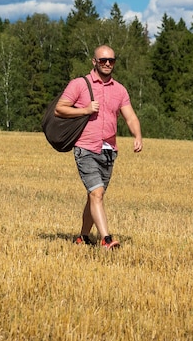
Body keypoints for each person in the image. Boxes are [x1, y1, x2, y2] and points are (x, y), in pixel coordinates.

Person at [55, 45, 143, 250]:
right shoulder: (79, 84)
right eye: (103, 60)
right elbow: (60, 109)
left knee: (94, 195)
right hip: (85, 147)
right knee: (97, 194)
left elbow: (130, 117)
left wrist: (137, 136)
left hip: (109, 151)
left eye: (111, 60)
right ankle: (106, 239)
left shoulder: (119, 89)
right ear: (94, 61)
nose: (107, 64)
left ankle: (83, 237)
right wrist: (84, 110)